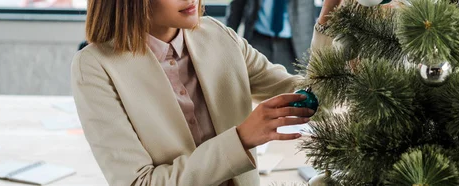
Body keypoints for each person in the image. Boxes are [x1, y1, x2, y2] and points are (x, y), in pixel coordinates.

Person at [71, 0, 339, 185]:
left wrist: (329, 15)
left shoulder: (218, 35)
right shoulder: (95, 66)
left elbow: (317, 100)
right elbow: (140, 182)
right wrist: (241, 138)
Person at [226, 0, 316, 74]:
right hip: (258, 39)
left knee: (294, 90)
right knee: (254, 88)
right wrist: (228, 39)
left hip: (295, 46)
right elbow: (237, 5)